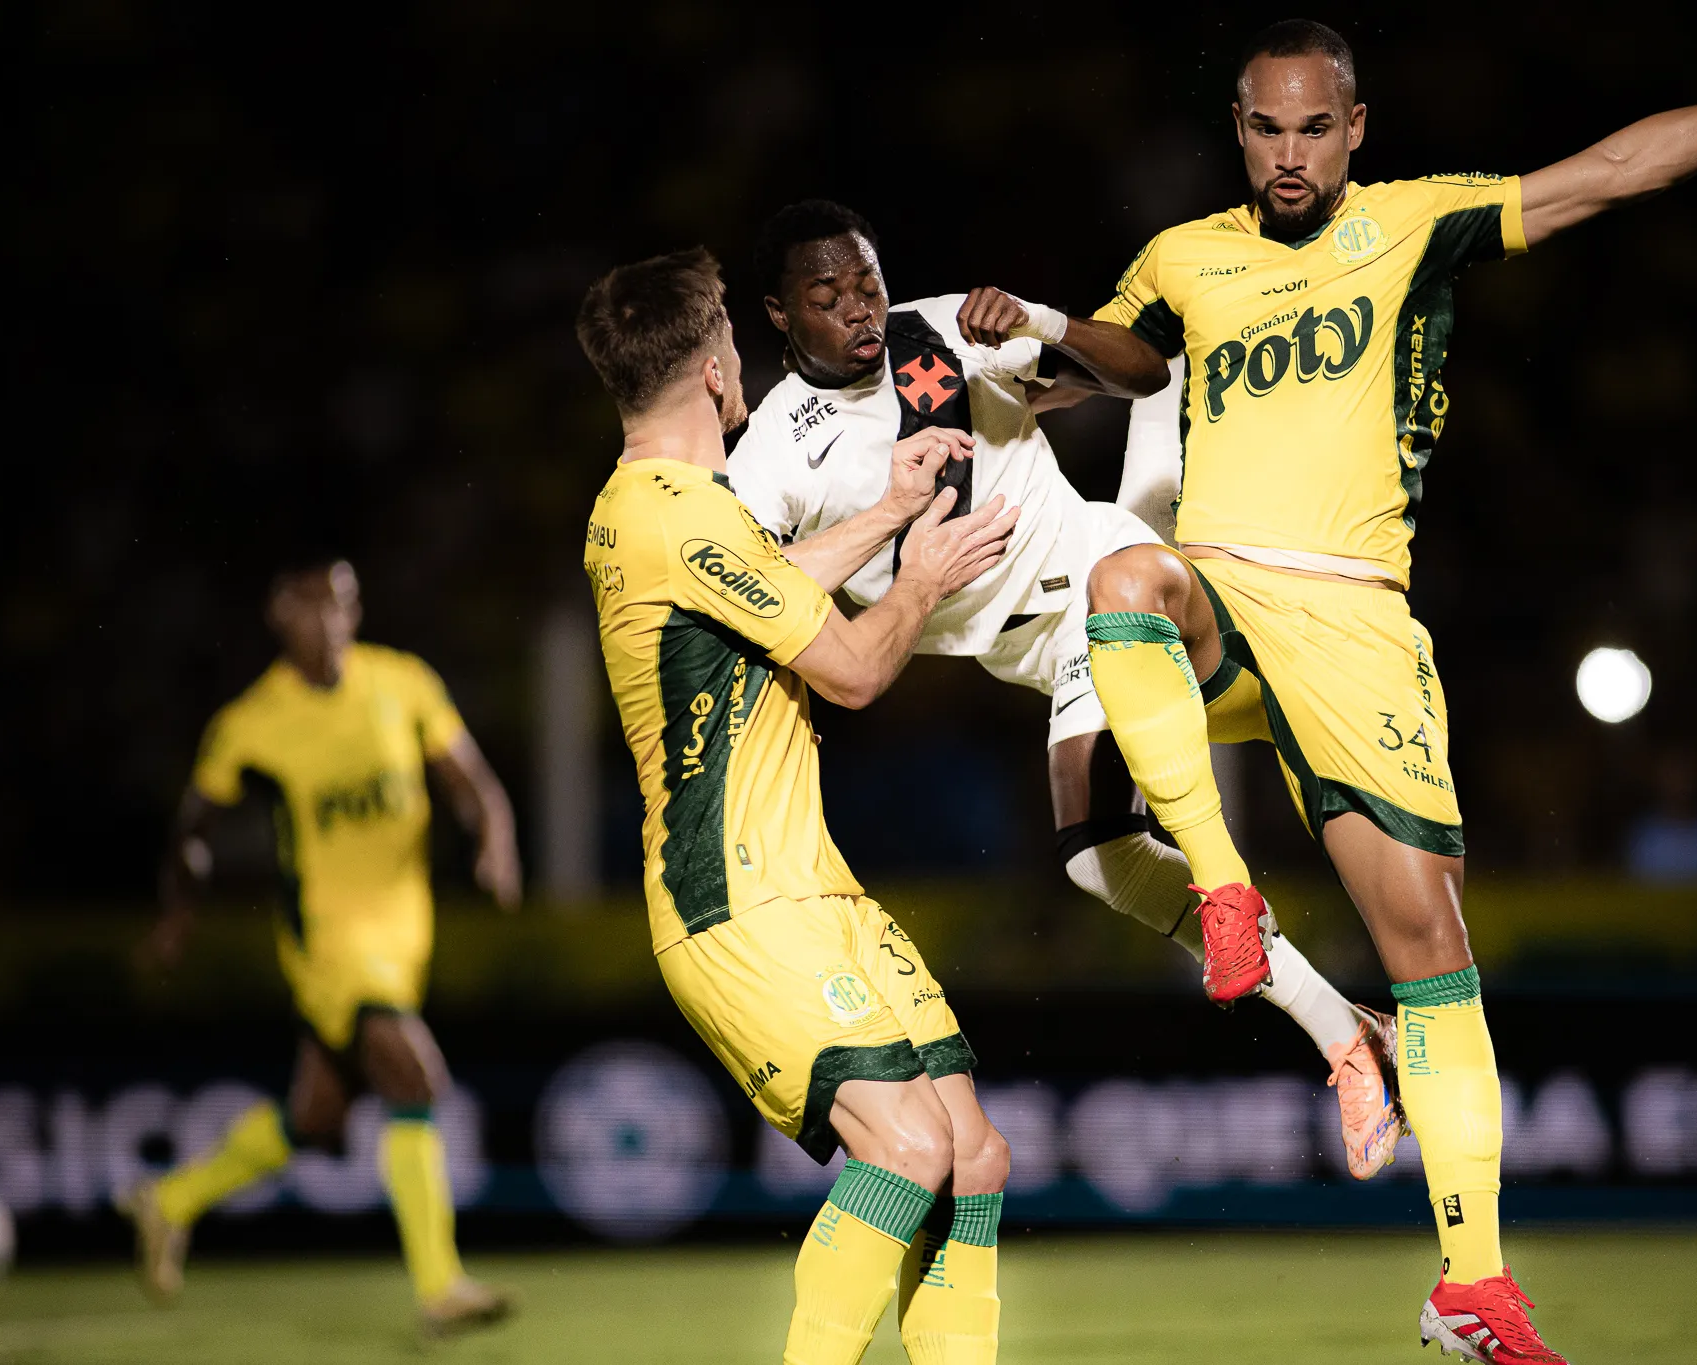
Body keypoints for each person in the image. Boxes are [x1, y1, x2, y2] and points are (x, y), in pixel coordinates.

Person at [948, 13, 1697, 1361]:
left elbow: (1620, 169)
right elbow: (1113, 360)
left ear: (1355, 127)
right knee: (1127, 580)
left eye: (1314, 128)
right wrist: (1013, 344)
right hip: (1224, 591)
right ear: (1236, 129)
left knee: (1432, 954)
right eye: (1264, 128)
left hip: (1359, 625)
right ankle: (1225, 891)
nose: (1288, 153)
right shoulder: (1185, 255)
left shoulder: (1414, 223)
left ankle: (1471, 1283)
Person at [727, 199, 1401, 1180]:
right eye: (827, 298)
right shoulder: (771, 452)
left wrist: (1045, 324)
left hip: (1102, 578)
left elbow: (1138, 373)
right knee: (1099, 864)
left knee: (1157, 788)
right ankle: (1351, 1029)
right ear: (779, 315)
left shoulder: (943, 329)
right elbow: (754, 588)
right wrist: (890, 521)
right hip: (1035, 656)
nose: (860, 310)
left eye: (867, 283)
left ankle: (1281, 899)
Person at [575, 245, 1021, 1365]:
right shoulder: (677, 518)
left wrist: (889, 507)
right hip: (736, 900)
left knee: (972, 1157)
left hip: (809, 887)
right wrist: (920, 575)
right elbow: (855, 672)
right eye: (732, 331)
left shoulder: (666, 510)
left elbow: (767, 584)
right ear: (712, 367)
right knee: (906, 1148)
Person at [124, 557, 523, 1337]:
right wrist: (178, 913)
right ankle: (439, 1286)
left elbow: (473, 783)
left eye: (343, 604)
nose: (332, 622)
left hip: (403, 937)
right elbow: (193, 829)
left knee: (317, 1118)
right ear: (280, 614)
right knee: (414, 1076)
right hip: (329, 941)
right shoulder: (253, 722)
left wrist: (495, 841)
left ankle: (169, 1199)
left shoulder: (403, 682)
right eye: (314, 607)